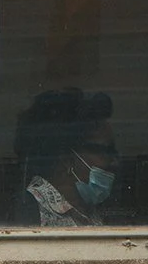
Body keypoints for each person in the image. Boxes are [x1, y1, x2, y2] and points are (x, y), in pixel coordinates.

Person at [14, 87, 121, 226]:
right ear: (68, 159)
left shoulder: (88, 211)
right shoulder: (30, 211)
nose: (114, 161)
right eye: (104, 151)